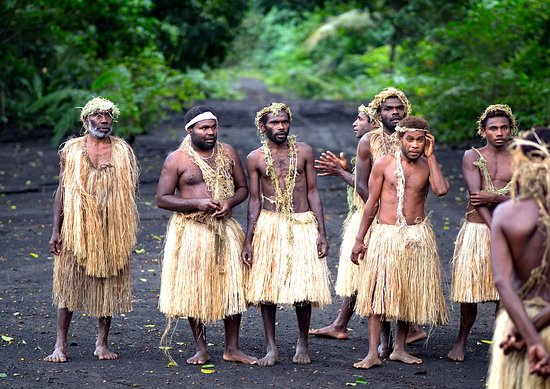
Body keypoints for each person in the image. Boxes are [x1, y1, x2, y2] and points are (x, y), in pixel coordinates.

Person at [309, 87, 426, 351]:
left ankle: (405, 333)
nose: (394, 113)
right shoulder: (369, 141)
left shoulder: (412, 139)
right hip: (375, 219)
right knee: (374, 278)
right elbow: (364, 186)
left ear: (406, 111)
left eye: (398, 109)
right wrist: (380, 213)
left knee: (400, 277)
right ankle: (381, 341)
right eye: (388, 109)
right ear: (379, 113)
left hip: (405, 225)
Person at [156, 106, 256, 365]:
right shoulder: (176, 159)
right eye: (204, 128)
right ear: (190, 130)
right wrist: (197, 203)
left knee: (232, 286)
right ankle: (201, 348)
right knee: (195, 288)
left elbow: (243, 188)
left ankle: (232, 348)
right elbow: (162, 198)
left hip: (225, 229)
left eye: (213, 127)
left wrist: (229, 202)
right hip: (191, 231)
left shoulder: (228, 152)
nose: (210, 132)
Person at [45, 97, 139, 362]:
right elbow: (62, 191)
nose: (104, 120)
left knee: (108, 283)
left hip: (112, 228)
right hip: (76, 228)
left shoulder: (122, 151)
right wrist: (56, 230)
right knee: (68, 284)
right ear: (86, 119)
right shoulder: (71, 150)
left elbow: (130, 194)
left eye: (108, 115)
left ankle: (102, 344)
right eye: (98, 115)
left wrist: (121, 227)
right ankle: (60, 345)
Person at [351, 116, 449, 369]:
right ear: (400, 138)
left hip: (415, 237)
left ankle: (399, 349)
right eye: (410, 139)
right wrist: (360, 239)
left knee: (408, 294)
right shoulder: (384, 163)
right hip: (386, 236)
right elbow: (371, 203)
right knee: (378, 296)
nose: (415, 145)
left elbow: (441, 190)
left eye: (420, 140)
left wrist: (432, 155)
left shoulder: (427, 166)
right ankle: (372, 353)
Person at [243, 102, 332, 366]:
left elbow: (314, 191)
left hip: (302, 222)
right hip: (270, 224)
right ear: (263, 126)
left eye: (284, 122)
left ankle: (302, 343)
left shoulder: (304, 152)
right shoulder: (255, 157)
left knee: (303, 288)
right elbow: (254, 200)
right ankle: (271, 347)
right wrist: (249, 238)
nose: (280, 127)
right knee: (267, 288)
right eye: (274, 123)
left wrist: (322, 232)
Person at [448, 104, 517, 361]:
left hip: (510, 230)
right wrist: (495, 225)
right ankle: (461, 340)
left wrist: (494, 197)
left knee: (505, 290)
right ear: (483, 131)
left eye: (504, 127)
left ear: (511, 129)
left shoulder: (521, 156)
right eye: (493, 128)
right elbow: (477, 199)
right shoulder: (472, 155)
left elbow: (525, 195)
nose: (499, 132)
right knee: (470, 290)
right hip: (478, 229)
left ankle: (499, 343)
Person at [487, 127, 550, 387]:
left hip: (516, 323)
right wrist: (536, 327)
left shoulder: (506, 214)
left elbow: (502, 282)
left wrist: (530, 337)